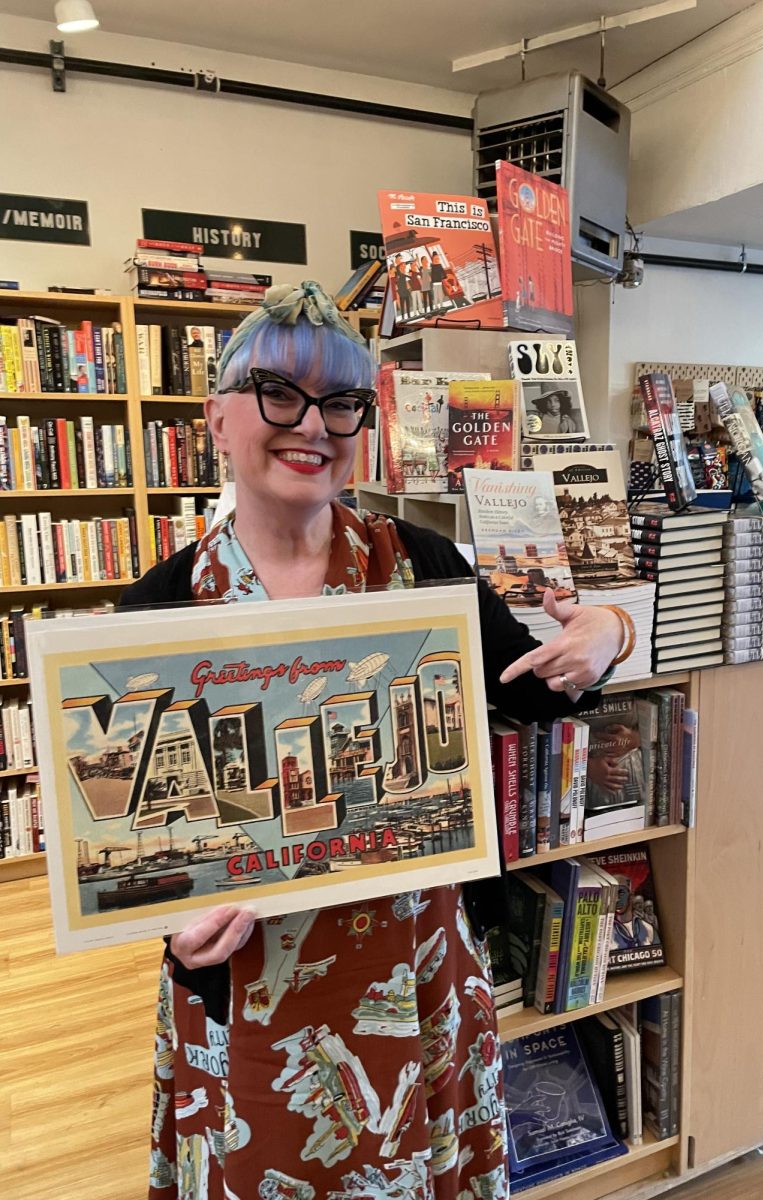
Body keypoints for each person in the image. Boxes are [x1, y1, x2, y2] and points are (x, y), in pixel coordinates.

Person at [119, 282, 632, 1200]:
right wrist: (169, 927)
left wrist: (608, 631)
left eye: (343, 403)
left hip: (418, 978)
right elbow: (131, 844)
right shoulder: (160, 610)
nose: (312, 423)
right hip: (248, 1000)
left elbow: (544, 693)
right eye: (280, 392)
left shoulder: (419, 567)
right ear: (217, 418)